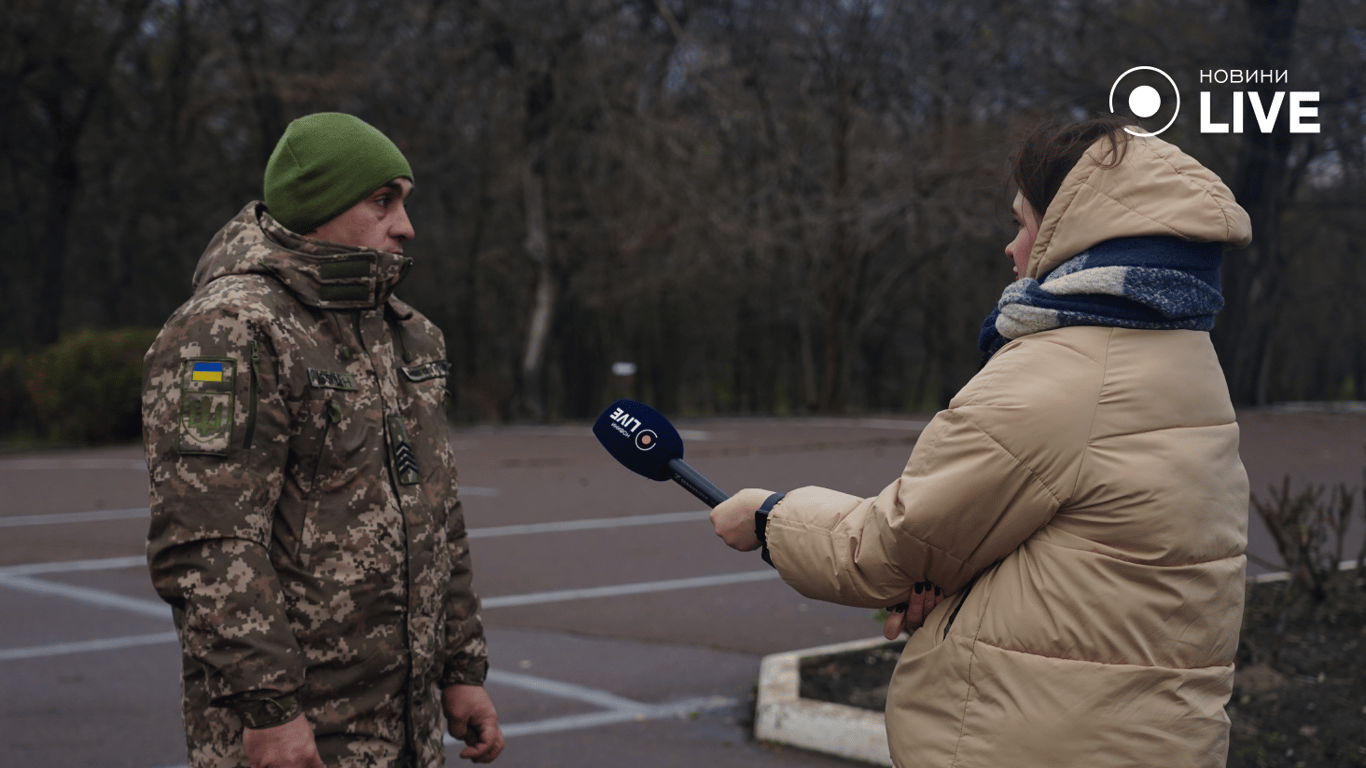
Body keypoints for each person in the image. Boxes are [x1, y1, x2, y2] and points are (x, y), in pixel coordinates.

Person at [711, 117, 1252, 767]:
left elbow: (890, 547)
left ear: (1077, 237)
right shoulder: (1180, 357)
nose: (1012, 247)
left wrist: (771, 518)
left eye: (1026, 224)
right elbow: (1096, 554)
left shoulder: (1060, 375)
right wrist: (962, 599)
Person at [143, 112, 504, 768]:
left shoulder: (407, 333)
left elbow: (437, 516)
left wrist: (462, 665)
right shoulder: (228, 331)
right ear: (318, 205)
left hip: (407, 721)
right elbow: (208, 541)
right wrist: (269, 709)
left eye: (404, 201)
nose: (405, 225)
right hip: (299, 730)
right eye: (381, 201)